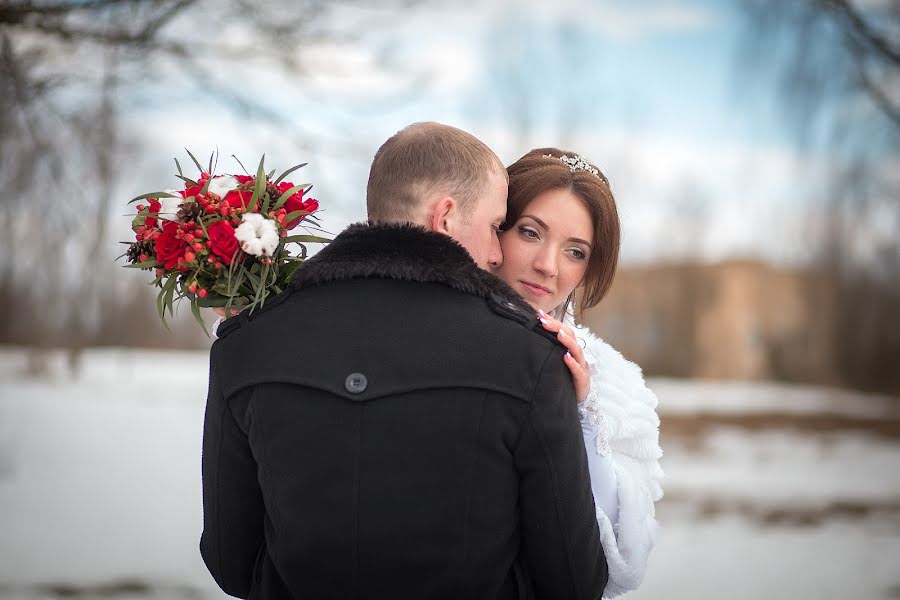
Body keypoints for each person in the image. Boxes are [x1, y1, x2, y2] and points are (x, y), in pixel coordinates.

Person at [200, 123, 608, 599]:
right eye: (498, 226)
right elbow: (573, 584)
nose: (498, 253)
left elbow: (231, 564)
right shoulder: (531, 358)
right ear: (446, 217)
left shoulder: (245, 344)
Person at [493, 148, 664, 598]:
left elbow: (620, 562)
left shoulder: (615, 383)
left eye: (575, 251)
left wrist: (582, 412)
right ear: (496, 228)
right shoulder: (435, 334)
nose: (548, 265)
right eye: (530, 232)